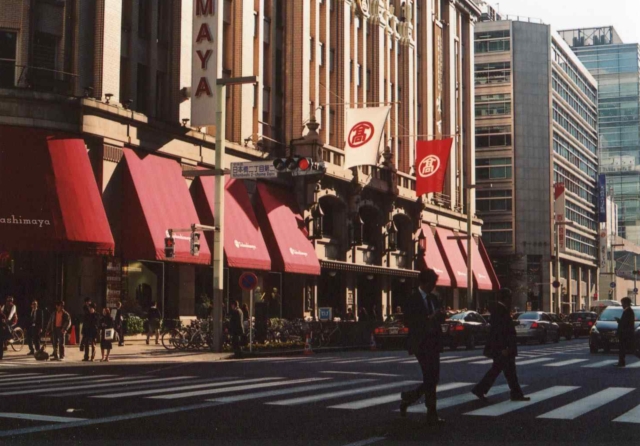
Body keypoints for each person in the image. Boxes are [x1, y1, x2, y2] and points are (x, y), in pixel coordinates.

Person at [399, 269, 447, 425]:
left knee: (434, 378)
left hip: (434, 341)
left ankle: (409, 397)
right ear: (425, 283)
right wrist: (428, 318)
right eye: (432, 283)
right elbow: (409, 322)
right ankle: (431, 413)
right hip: (420, 342)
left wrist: (441, 315)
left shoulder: (434, 298)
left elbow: (440, 319)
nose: (434, 286)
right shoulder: (412, 299)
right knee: (430, 377)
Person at [471, 288, 529, 402]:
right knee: (506, 372)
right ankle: (515, 394)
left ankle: (481, 389)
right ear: (506, 298)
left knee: (502, 371)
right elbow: (499, 331)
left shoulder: (499, 309)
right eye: (510, 297)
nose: (511, 300)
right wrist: (504, 347)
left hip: (503, 347)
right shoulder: (500, 310)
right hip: (503, 348)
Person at [616, 297, 635, 367]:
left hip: (626, 333)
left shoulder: (629, 312)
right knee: (623, 348)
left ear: (626, 303)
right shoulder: (628, 311)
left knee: (632, 349)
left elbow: (626, 323)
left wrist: (619, 321)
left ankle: (621, 362)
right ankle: (621, 362)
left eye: (623, 303)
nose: (622, 305)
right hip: (625, 333)